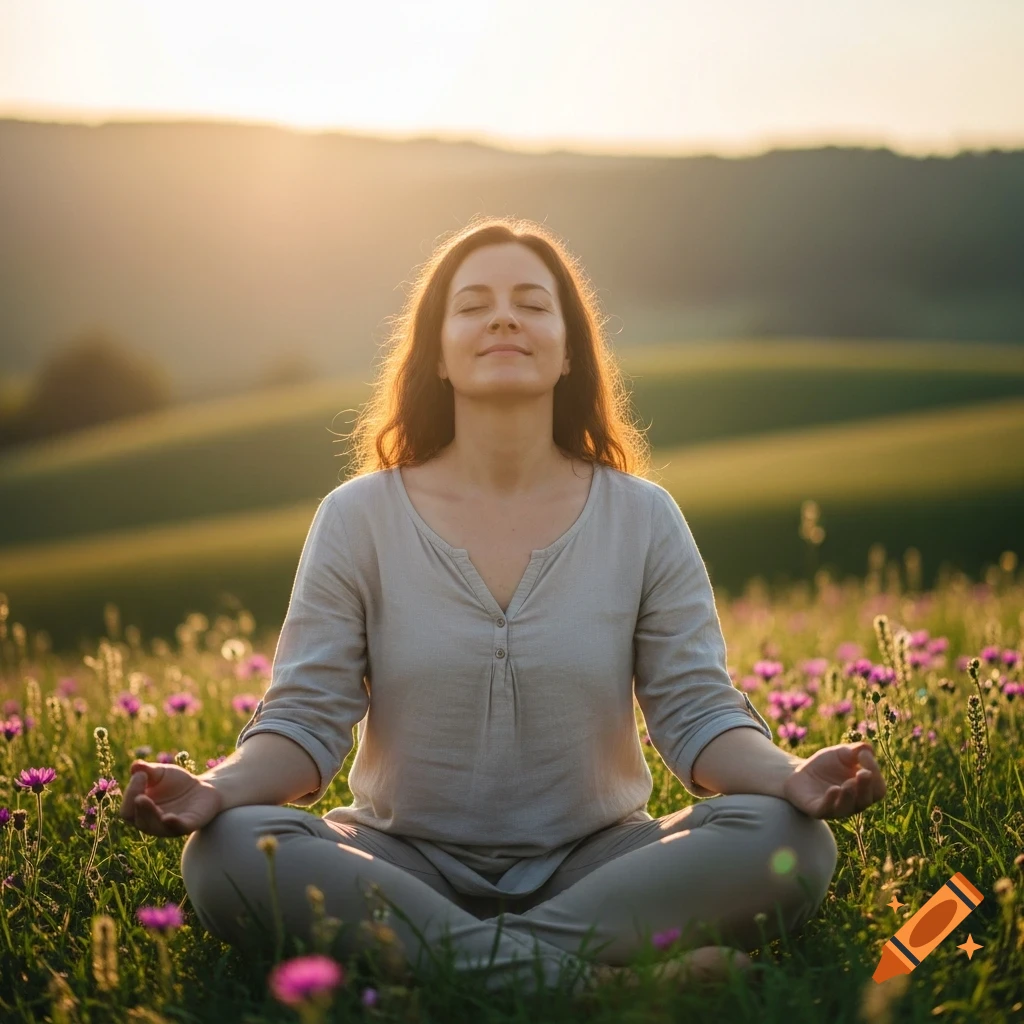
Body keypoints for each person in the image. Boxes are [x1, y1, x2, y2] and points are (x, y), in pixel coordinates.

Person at [119, 217, 885, 998]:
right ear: (439, 353)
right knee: (229, 850)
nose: (504, 318)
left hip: (603, 864)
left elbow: (695, 711)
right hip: (394, 862)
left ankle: (439, 972)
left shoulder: (644, 517)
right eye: (474, 304)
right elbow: (304, 723)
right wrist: (217, 788)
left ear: (569, 350)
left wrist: (791, 776)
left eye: (532, 303)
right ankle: (605, 987)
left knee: (790, 840)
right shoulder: (356, 517)